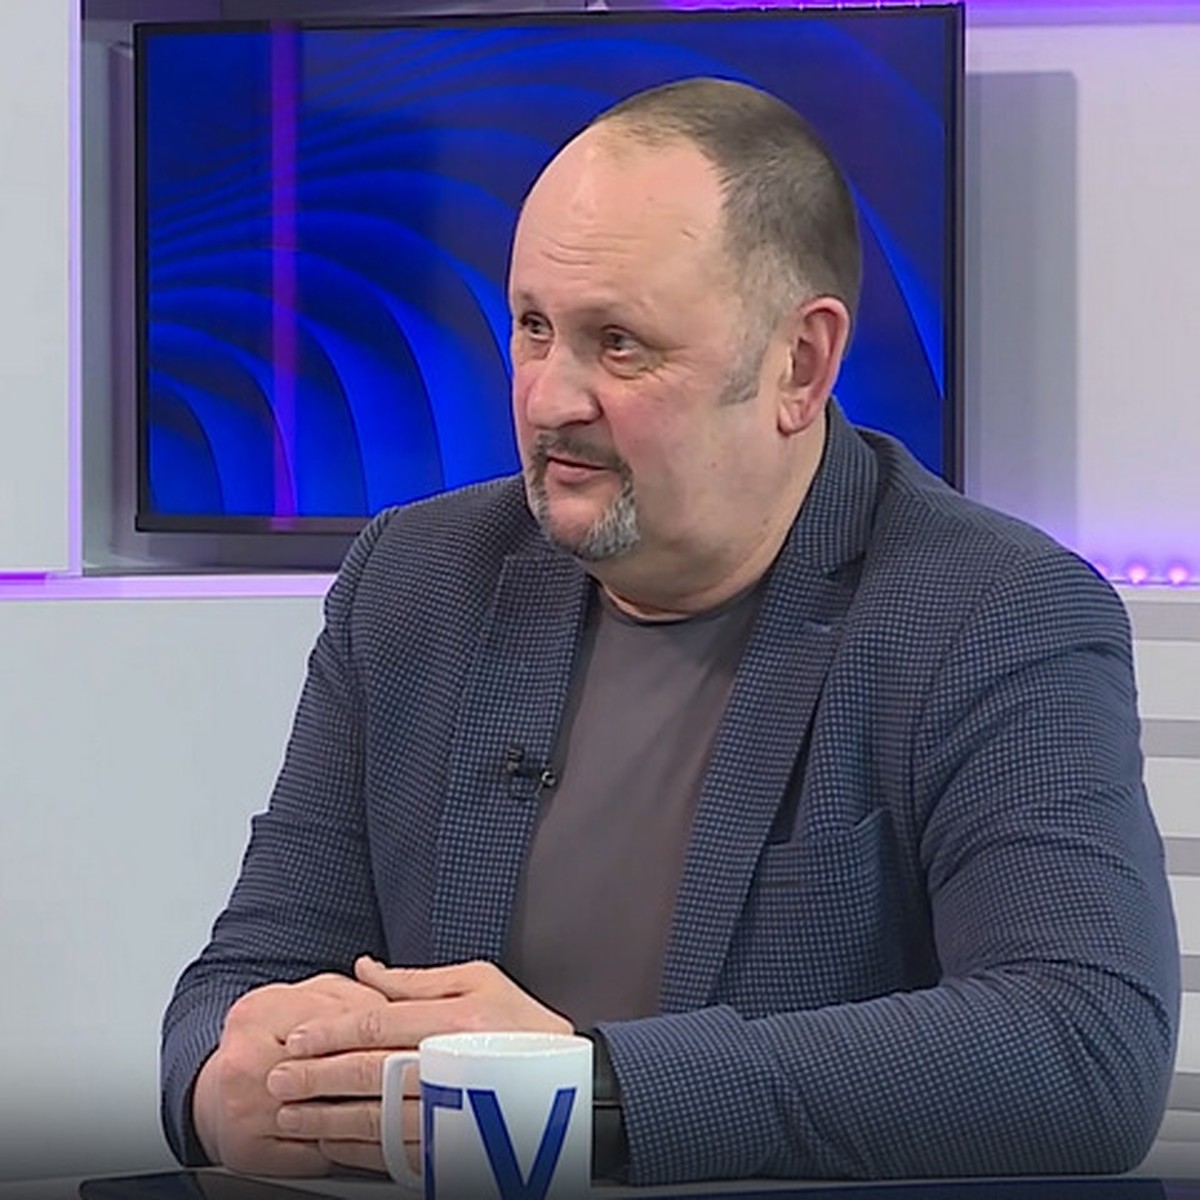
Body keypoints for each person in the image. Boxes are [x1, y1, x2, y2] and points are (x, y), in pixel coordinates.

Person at [161, 77, 1178, 1186]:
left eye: (620, 344)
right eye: (534, 328)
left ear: (799, 365)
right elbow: (247, 974)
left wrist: (587, 1089)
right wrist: (223, 1086)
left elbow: (1082, 1046)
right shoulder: (415, 580)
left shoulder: (993, 614)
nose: (549, 399)